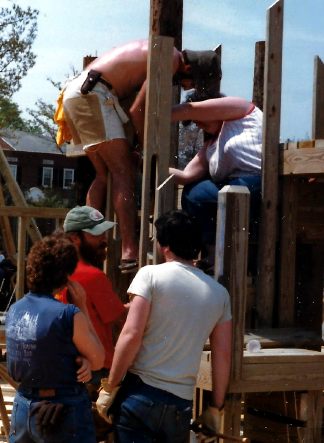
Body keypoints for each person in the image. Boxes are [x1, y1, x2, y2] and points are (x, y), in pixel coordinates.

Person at [97, 210, 232, 443]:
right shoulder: (218, 294)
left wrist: (109, 386)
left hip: (139, 396)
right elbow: (223, 356)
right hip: (180, 405)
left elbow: (131, 335)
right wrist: (216, 407)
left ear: (164, 244)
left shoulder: (151, 275)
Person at [61, 40, 221, 272]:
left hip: (79, 91)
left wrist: (137, 145)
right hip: (94, 94)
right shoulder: (169, 59)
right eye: (193, 82)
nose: (189, 87)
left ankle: (87, 245)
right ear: (191, 69)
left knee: (104, 175)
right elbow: (138, 111)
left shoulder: (161, 54)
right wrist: (148, 150)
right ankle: (130, 253)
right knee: (123, 171)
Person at [0, 233, 105, 443]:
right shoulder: (67, 314)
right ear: (65, 276)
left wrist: (78, 359)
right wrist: (82, 305)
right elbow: (98, 356)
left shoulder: (16, 310)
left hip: (25, 407)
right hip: (62, 410)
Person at [170, 95, 262, 273]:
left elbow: (190, 108)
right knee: (192, 192)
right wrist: (148, 164)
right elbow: (186, 175)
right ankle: (213, 255)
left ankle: (228, 256)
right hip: (232, 189)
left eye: (198, 118)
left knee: (224, 191)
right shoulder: (211, 145)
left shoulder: (241, 111)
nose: (197, 124)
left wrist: (154, 115)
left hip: (258, 180)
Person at [59, 205, 128, 390]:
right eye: (96, 234)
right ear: (75, 237)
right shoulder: (92, 276)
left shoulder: (58, 273)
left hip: (65, 368)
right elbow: (123, 320)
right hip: (96, 373)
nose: (104, 239)